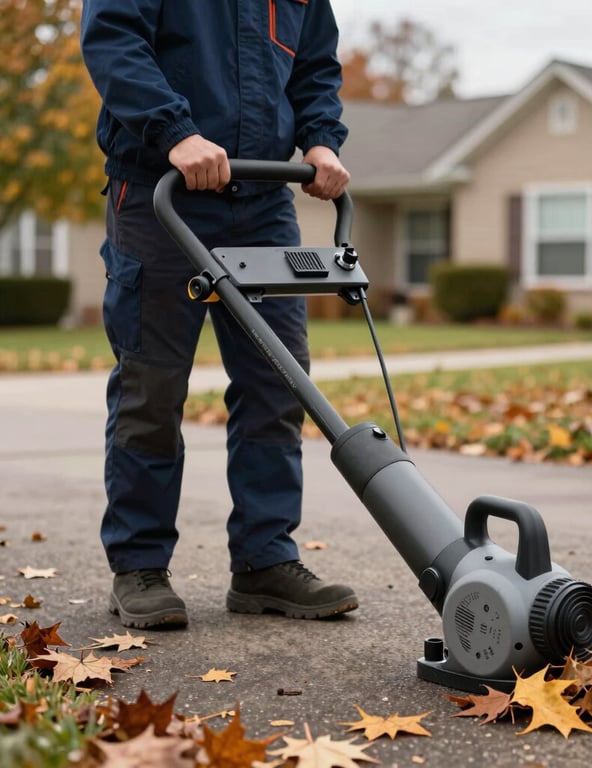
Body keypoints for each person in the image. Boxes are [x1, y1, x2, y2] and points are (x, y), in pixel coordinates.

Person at [79, 0, 357, 629]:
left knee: (279, 385)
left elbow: (314, 68)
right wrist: (175, 130)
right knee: (152, 387)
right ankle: (140, 566)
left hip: (262, 201)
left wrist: (319, 138)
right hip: (160, 191)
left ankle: (265, 562)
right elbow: (114, 40)